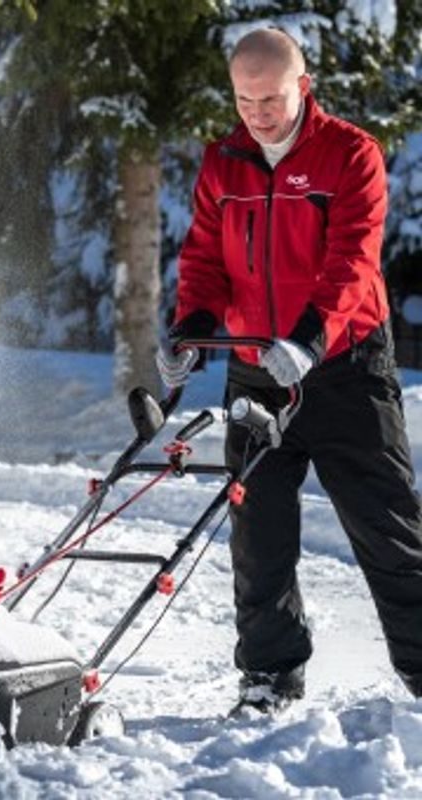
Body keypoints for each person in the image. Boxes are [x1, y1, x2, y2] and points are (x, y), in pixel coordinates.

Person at [157, 27, 422, 714]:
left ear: (302, 86)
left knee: (386, 531)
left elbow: (353, 258)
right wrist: (191, 330)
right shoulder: (224, 163)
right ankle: (271, 676)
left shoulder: (349, 154)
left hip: (345, 369)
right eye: (244, 99)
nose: (257, 113)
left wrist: (309, 337)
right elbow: (206, 261)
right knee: (259, 536)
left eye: (269, 97)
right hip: (255, 370)